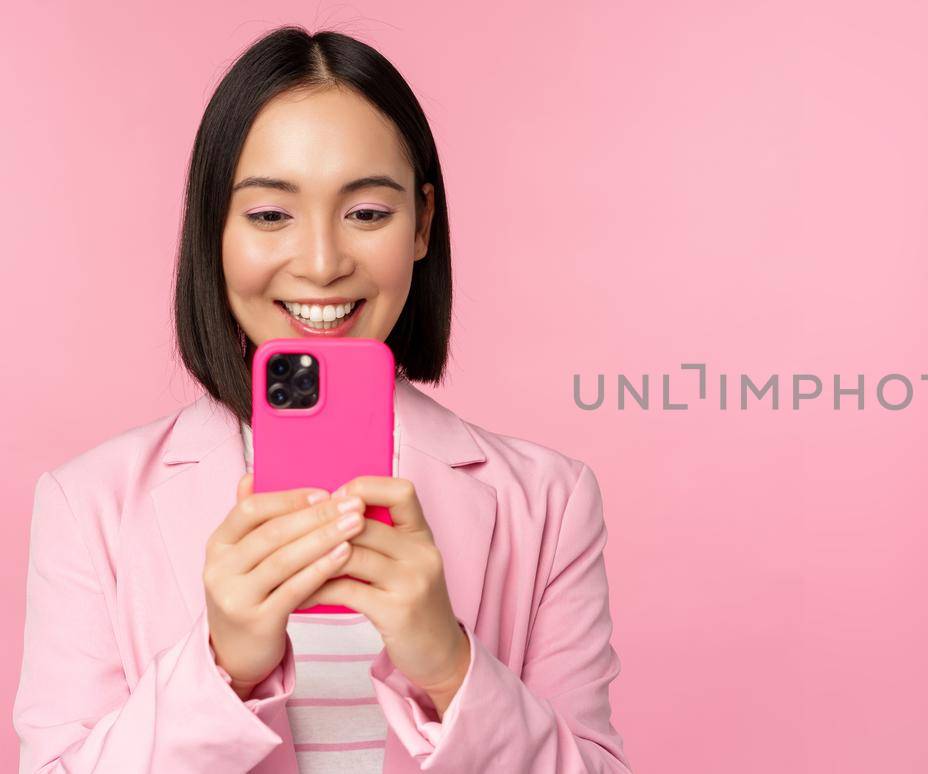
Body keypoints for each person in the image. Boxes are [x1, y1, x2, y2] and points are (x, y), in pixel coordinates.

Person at [12, 25, 632, 773]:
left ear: (422, 224)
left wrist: (450, 665)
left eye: (366, 213)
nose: (321, 263)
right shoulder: (90, 505)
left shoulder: (550, 501)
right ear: (215, 230)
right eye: (270, 215)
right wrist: (220, 670)